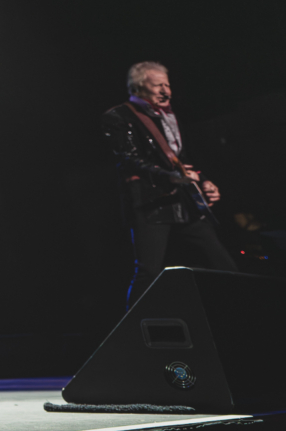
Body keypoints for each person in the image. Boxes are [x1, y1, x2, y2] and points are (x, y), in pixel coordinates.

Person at [100, 61, 235, 306]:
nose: (165, 91)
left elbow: (181, 158)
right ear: (138, 88)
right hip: (150, 203)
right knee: (149, 271)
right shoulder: (119, 116)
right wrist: (169, 176)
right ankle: (135, 322)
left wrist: (205, 181)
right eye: (157, 86)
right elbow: (128, 159)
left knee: (222, 263)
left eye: (167, 85)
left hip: (181, 199)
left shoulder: (168, 115)